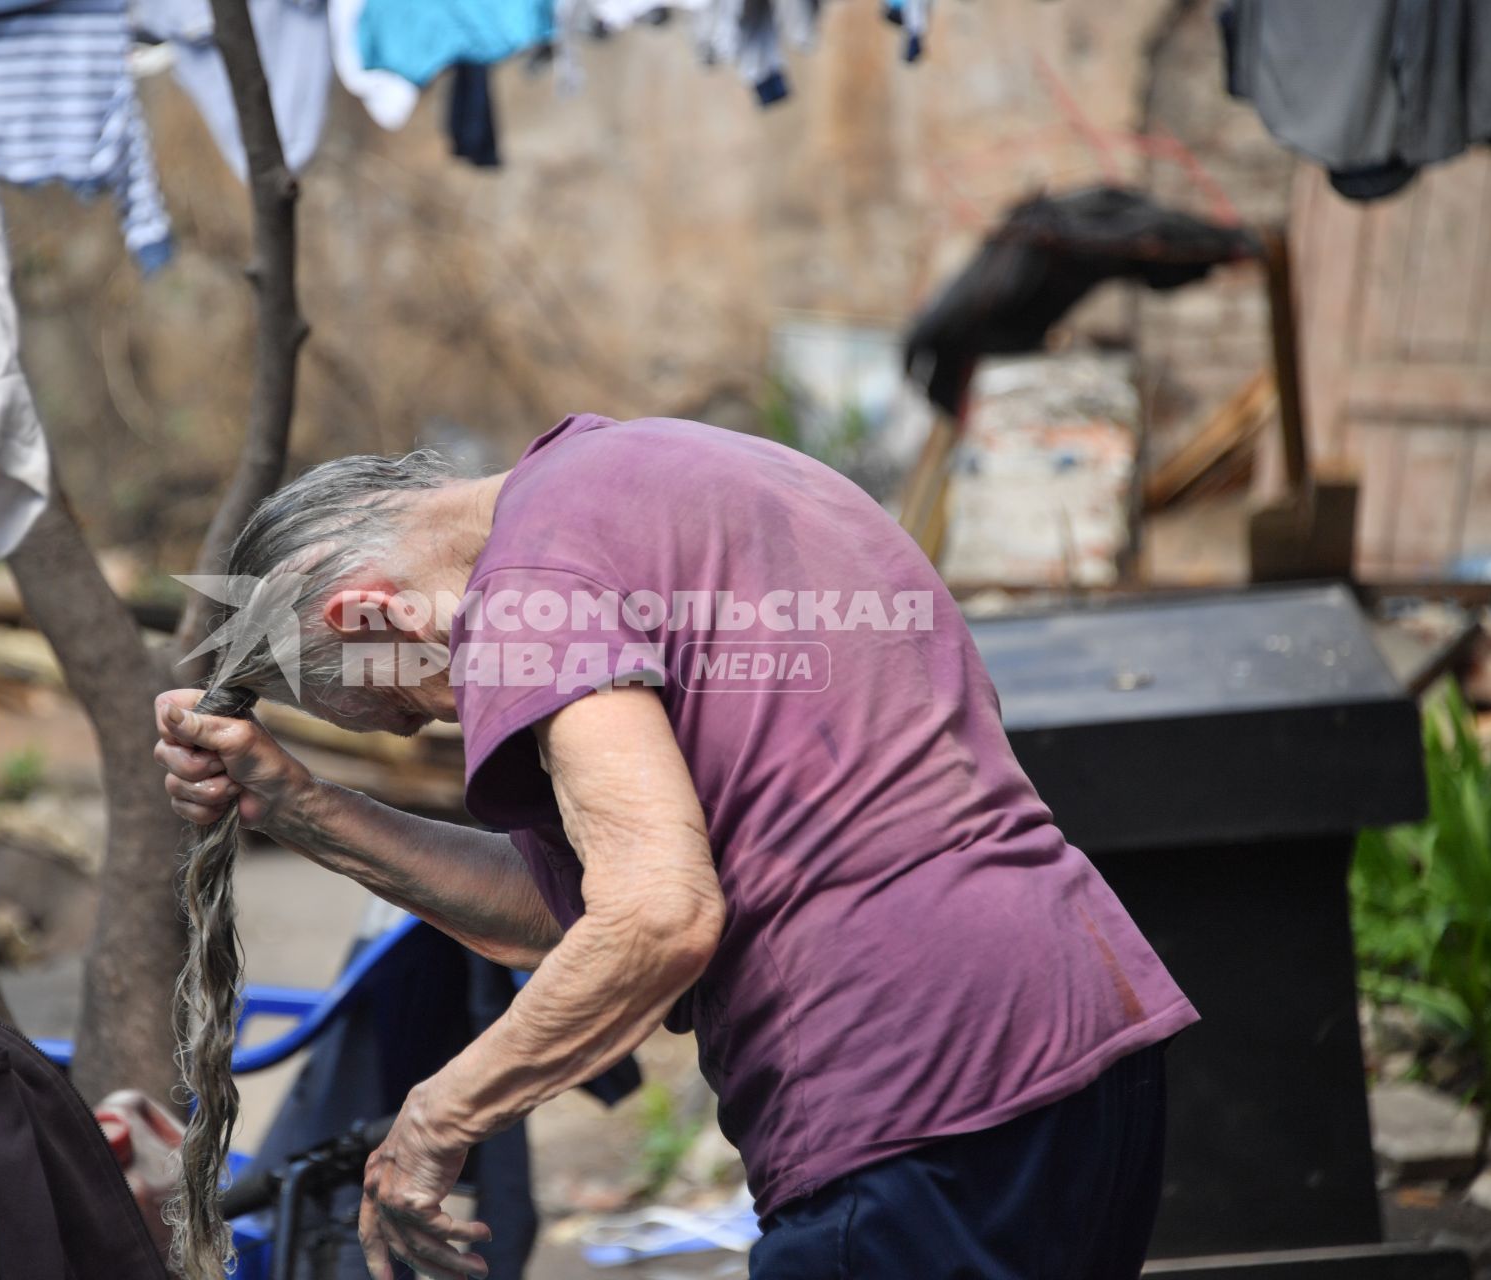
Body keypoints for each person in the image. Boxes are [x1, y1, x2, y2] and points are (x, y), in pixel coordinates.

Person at [155, 413, 1198, 1280]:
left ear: (370, 608)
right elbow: (567, 909)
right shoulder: (646, 473)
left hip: (907, 1087)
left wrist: (437, 1116)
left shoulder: (528, 587)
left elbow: (656, 918)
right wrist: (304, 808)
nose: (452, 712)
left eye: (412, 701)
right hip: (1082, 1032)